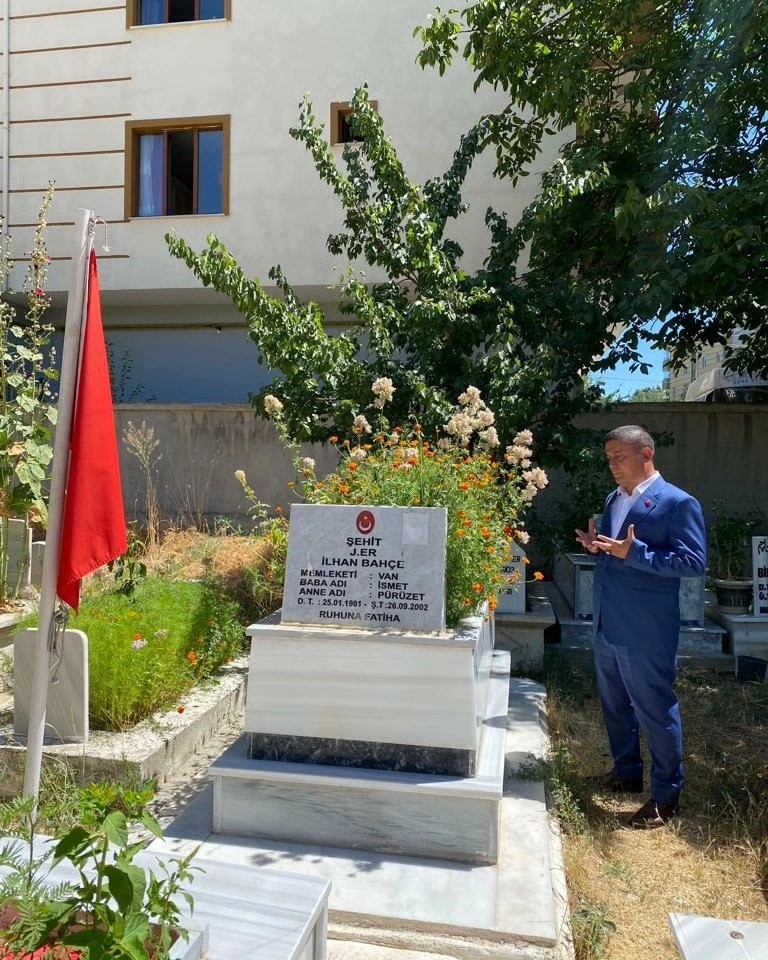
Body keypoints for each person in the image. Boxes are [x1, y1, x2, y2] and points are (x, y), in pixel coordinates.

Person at [575, 424, 706, 829]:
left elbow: (693, 563)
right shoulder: (614, 499)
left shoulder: (677, 503)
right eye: (609, 458)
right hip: (608, 623)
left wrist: (638, 552)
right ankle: (627, 772)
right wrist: (599, 547)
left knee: (654, 709)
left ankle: (666, 795)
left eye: (620, 456)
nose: (613, 465)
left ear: (646, 454)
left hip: (646, 630)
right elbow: (618, 554)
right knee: (615, 705)